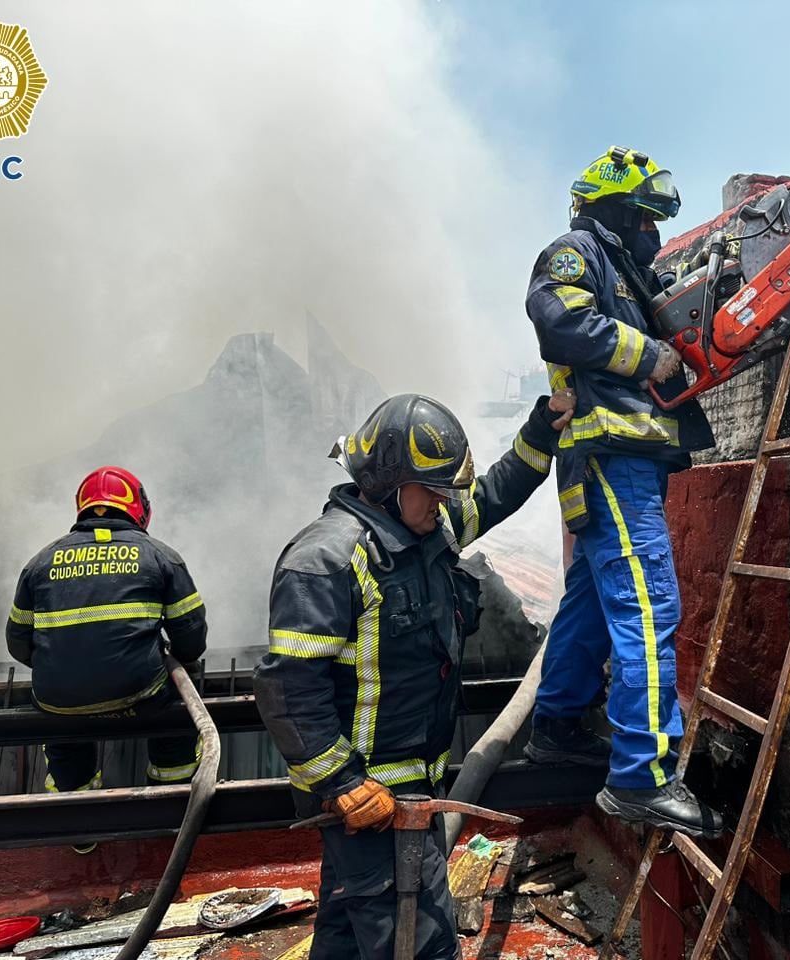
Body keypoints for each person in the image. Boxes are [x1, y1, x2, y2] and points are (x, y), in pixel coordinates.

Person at [254, 392, 572, 960]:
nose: (446, 502)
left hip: (408, 791)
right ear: (390, 485)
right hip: (371, 801)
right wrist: (343, 786)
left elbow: (493, 494)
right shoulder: (327, 559)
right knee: (421, 944)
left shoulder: (425, 533)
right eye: (435, 489)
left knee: (348, 937)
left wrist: (542, 428)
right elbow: (288, 689)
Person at [522, 145, 722, 839]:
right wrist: (650, 354)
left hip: (617, 458)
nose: (654, 233)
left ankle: (557, 724)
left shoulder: (627, 269)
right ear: (612, 208)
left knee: (592, 601)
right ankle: (641, 775)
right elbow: (559, 319)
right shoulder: (577, 252)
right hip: (611, 457)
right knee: (647, 601)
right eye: (643, 218)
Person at [5, 466, 208, 793]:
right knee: (182, 699)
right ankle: (170, 795)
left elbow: (17, 642)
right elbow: (191, 635)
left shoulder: (39, 563)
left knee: (63, 735)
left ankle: (79, 822)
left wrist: (65, 665)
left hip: (58, 699)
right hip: (140, 694)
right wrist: (174, 659)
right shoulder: (160, 557)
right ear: (139, 509)